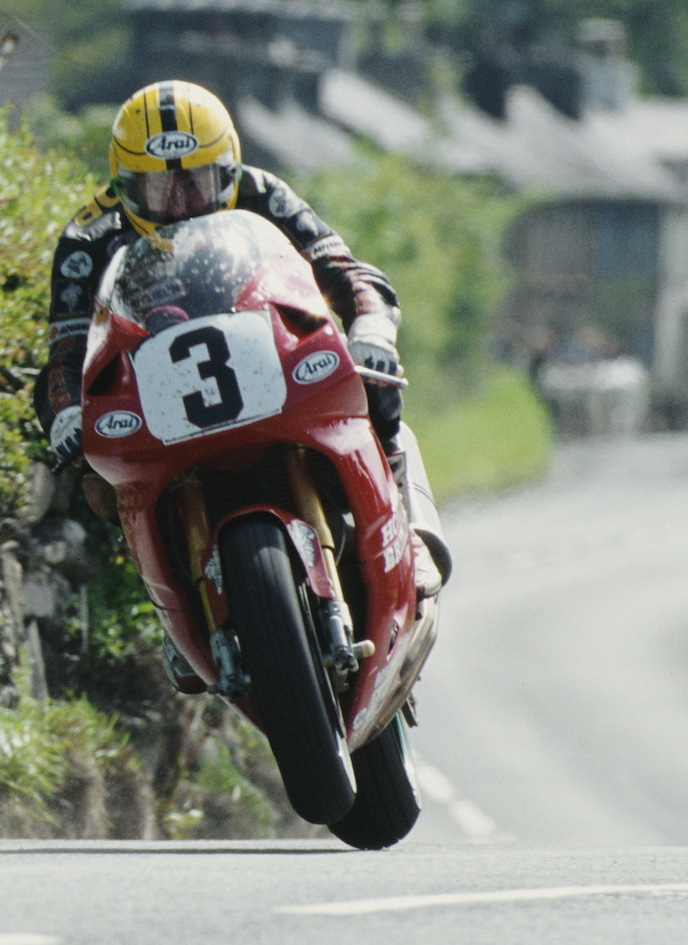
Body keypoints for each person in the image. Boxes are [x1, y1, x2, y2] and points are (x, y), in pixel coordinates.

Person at [39, 80, 449, 690]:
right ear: (125, 185)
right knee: (95, 479)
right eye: (156, 188)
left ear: (226, 169)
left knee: (376, 385)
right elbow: (65, 353)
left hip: (271, 357)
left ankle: (408, 532)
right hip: (159, 391)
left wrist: (371, 326)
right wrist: (67, 413)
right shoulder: (87, 239)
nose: (178, 203)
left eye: (195, 184)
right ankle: (170, 604)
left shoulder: (261, 192)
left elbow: (346, 271)